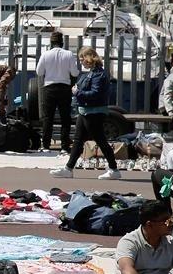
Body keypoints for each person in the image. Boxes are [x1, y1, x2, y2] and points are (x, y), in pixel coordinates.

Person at [51, 47, 121, 180]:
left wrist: (78, 92)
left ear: (89, 58)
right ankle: (68, 169)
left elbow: (95, 94)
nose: (81, 62)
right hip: (85, 111)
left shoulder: (98, 75)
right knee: (78, 141)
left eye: (82, 59)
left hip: (93, 113)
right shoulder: (93, 73)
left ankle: (113, 169)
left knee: (100, 140)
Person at [35, 31, 78, 151]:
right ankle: (64, 146)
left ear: (51, 42)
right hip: (64, 88)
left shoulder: (45, 54)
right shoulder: (69, 54)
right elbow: (74, 73)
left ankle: (46, 145)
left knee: (48, 118)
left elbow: (39, 72)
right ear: (62, 42)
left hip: (49, 88)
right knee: (65, 118)